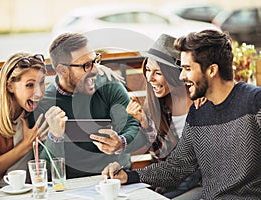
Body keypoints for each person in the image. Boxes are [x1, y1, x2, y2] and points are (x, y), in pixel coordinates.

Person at [102, 29, 261, 199]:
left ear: (212, 70)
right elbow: (176, 167)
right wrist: (129, 176)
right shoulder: (198, 113)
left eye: (187, 69)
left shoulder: (254, 102)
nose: (182, 76)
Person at [28, 33, 140, 179]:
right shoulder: (44, 103)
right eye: (86, 65)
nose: (95, 70)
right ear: (62, 70)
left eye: (95, 61)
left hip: (113, 179)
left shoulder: (109, 85)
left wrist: (121, 143)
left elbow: (132, 124)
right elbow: (45, 171)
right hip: (70, 185)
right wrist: (55, 136)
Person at [0, 52, 68, 188]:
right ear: (10, 86)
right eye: (29, 85)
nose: (39, 93)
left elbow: (46, 167)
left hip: (30, 189)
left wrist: (55, 136)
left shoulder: (41, 108)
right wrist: (26, 145)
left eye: (41, 82)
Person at [126, 33, 202, 198]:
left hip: (200, 183)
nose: (149, 78)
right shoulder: (157, 106)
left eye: (157, 72)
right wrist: (145, 123)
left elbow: (191, 163)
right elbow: (166, 158)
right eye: (147, 70)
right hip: (171, 183)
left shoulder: (200, 101)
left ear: (175, 73)